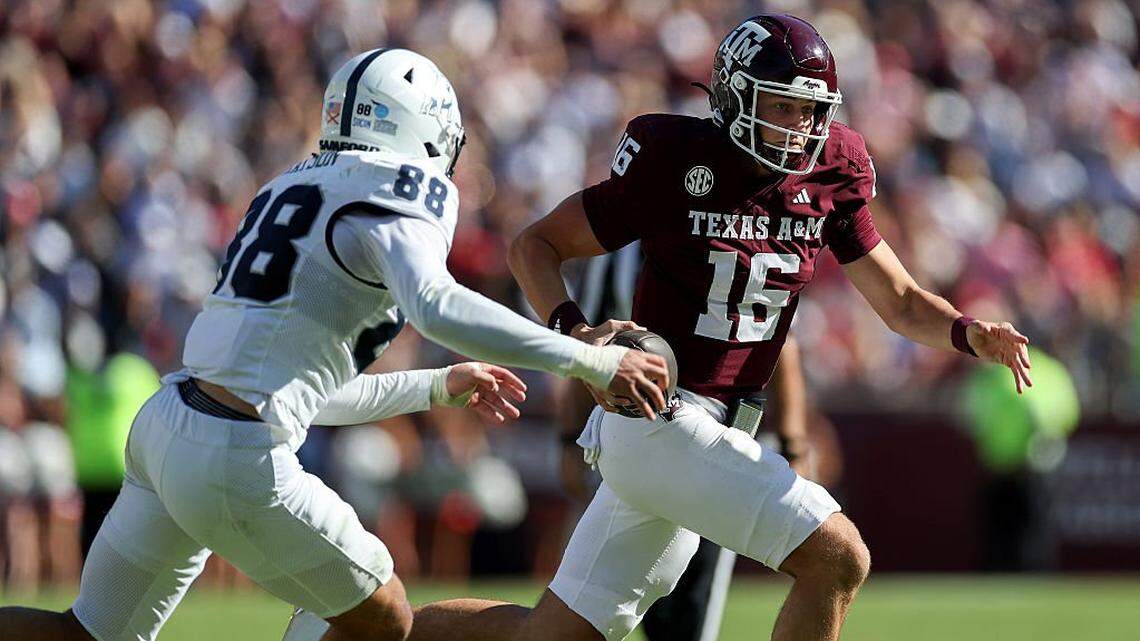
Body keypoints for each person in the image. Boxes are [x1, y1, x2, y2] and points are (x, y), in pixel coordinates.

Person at [0, 47, 669, 641]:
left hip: (170, 421)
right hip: (236, 452)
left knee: (83, 632)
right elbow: (435, 305)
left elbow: (300, 391)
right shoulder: (402, 185)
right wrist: (589, 354)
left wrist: (436, 385)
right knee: (383, 616)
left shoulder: (290, 183)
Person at [409, 13, 1034, 641]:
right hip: (660, 417)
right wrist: (576, 337)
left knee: (548, 636)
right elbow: (533, 245)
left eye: (812, 110)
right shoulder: (674, 157)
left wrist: (967, 331)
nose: (803, 127)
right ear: (735, 95)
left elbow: (898, 300)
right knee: (838, 557)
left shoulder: (831, 169)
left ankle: (369, 628)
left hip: (713, 428)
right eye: (785, 106)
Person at [561, 245, 816, 641]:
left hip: (720, 444)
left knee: (692, 604)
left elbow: (782, 344)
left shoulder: (732, 236)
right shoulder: (614, 254)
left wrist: (793, 442)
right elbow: (586, 349)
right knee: (603, 616)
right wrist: (568, 440)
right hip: (638, 438)